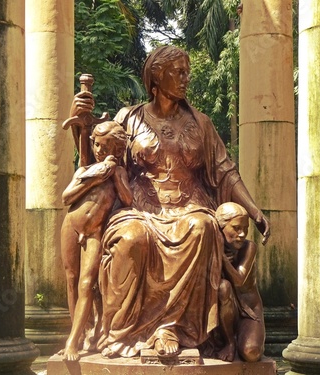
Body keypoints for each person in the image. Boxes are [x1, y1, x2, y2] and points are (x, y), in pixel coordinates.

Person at [68, 45, 270, 359]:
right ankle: (119, 333)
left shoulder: (201, 123)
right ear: (156, 78)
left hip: (190, 206)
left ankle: (173, 329)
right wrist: (81, 126)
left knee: (202, 228)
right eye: (178, 72)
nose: (186, 78)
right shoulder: (130, 117)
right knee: (132, 237)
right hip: (137, 206)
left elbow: (225, 171)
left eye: (187, 72)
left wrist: (254, 210)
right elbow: (99, 155)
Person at [59, 121, 132, 361]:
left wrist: (113, 174)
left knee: (86, 283)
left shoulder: (119, 173)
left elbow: (128, 200)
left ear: (118, 150)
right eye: (97, 145)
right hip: (71, 225)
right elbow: (66, 196)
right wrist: (94, 176)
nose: (99, 150)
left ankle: (73, 341)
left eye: (105, 146)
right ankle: (77, 336)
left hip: (94, 232)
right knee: (71, 280)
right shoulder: (85, 170)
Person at [215, 202, 265, 362]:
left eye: (246, 229)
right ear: (221, 228)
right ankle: (229, 342)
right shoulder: (210, 246)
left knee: (251, 353)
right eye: (236, 228)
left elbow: (239, 280)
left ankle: (242, 337)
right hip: (222, 305)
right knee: (223, 287)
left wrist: (222, 258)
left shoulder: (248, 248)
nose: (242, 234)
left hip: (249, 310)